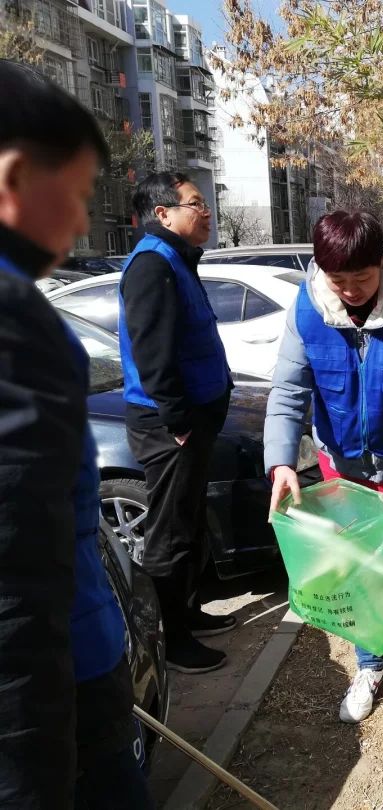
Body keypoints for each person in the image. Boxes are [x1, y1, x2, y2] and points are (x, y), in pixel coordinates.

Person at [0, 60, 151, 809]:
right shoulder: (12, 324)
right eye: (82, 192)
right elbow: (15, 579)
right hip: (58, 689)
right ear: (16, 179)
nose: (87, 222)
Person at [264, 211, 383, 723]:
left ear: (381, 265)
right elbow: (287, 393)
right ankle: (368, 663)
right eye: (337, 280)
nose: (350, 291)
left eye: (361, 279)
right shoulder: (307, 313)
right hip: (341, 464)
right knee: (354, 562)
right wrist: (281, 462)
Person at [119, 171, 234, 674]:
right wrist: (178, 420)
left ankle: (191, 612)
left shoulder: (177, 259)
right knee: (169, 533)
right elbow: (151, 351)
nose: (205, 211)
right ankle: (173, 640)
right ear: (162, 213)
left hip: (190, 419)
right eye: (194, 204)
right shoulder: (152, 264)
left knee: (188, 522)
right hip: (168, 426)